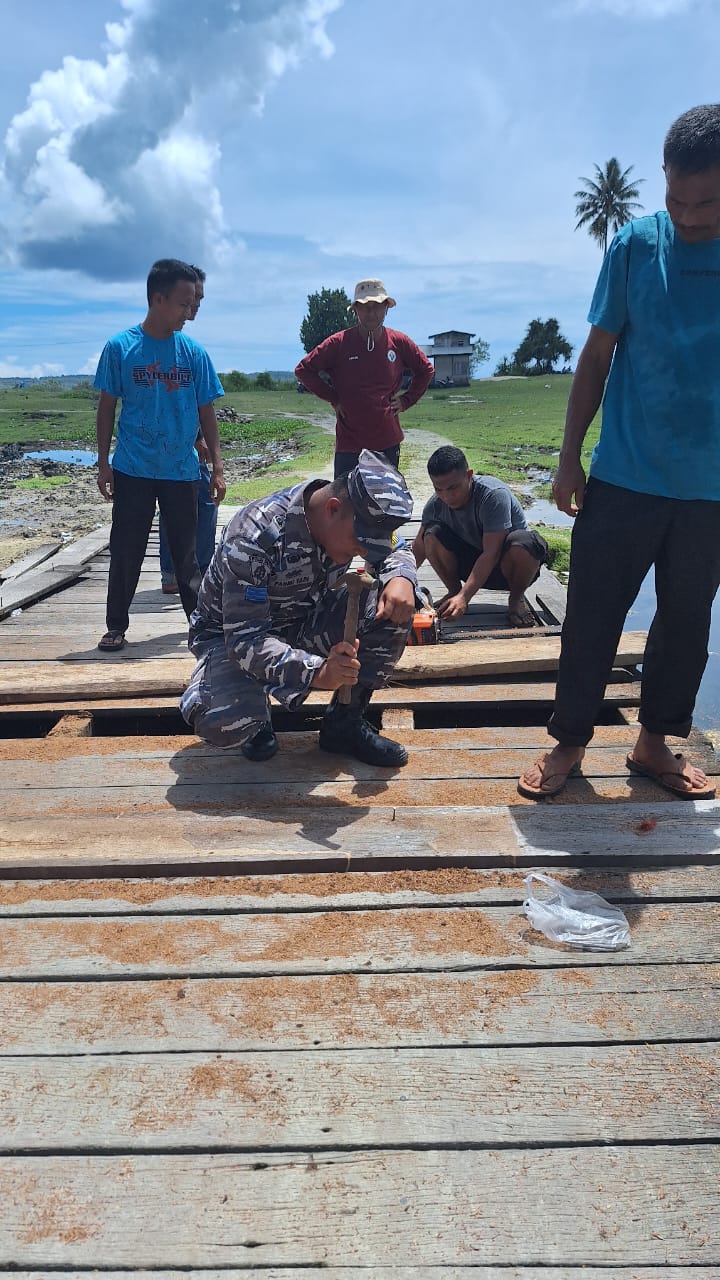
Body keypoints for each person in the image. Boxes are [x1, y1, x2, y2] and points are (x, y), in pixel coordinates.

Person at [518, 103, 720, 801]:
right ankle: (569, 743)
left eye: (707, 202)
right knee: (594, 613)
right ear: (662, 181)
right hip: (627, 473)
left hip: (710, 487)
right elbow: (597, 354)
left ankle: (654, 744)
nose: (689, 216)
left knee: (687, 623)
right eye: (676, 199)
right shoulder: (635, 246)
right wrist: (570, 456)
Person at [180, 450, 417, 767]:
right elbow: (245, 641)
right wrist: (318, 672)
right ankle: (257, 718)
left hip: (304, 619)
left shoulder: (349, 518)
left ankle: (343, 725)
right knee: (226, 721)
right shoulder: (253, 535)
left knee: (394, 610)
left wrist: (401, 576)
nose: (363, 553)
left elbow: (394, 546)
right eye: (359, 543)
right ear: (332, 509)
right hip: (231, 638)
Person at [95, 258, 226, 651]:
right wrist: (103, 463)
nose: (190, 312)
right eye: (184, 304)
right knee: (126, 550)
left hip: (181, 470)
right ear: (158, 299)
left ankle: (199, 625)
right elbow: (106, 407)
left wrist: (217, 466)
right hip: (133, 468)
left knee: (187, 555)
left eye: (193, 304)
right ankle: (116, 625)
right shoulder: (121, 347)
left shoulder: (194, 353)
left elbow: (207, 410)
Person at [294, 278, 434, 477]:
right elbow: (304, 370)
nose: (371, 312)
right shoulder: (339, 343)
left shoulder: (399, 342)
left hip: (386, 438)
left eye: (377, 306)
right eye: (364, 307)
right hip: (349, 441)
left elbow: (426, 370)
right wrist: (334, 398)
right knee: (345, 500)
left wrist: (406, 400)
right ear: (355, 310)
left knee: (385, 500)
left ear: (386, 308)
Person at [412, 446, 548, 627]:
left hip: (508, 569)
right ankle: (454, 592)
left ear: (468, 475)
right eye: (439, 489)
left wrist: (465, 597)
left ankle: (516, 600)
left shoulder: (492, 496)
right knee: (431, 534)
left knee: (524, 543)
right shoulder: (435, 505)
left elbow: (491, 554)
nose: (447, 496)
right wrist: (399, 583)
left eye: (453, 487)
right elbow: (418, 550)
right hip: (471, 567)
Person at [158, 265, 219, 593]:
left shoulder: (191, 349)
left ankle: (194, 571)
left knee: (203, 505)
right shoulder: (164, 344)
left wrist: (200, 438)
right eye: (193, 298)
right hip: (165, 451)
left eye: (199, 299)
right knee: (179, 509)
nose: (196, 305)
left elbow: (196, 402)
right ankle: (176, 572)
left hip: (188, 446)